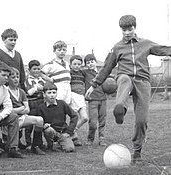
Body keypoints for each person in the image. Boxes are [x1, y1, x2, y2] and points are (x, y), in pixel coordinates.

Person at [85, 15, 171, 163]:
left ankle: (137, 151)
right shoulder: (117, 47)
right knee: (124, 79)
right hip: (125, 77)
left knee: (141, 120)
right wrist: (94, 85)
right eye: (124, 30)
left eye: (129, 29)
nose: (127, 33)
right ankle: (120, 108)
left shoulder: (145, 43)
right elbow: (106, 68)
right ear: (121, 30)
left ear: (135, 28)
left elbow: (164, 50)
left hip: (143, 82)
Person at [1, 67, 45, 155]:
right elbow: (5, 110)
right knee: (8, 145)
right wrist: (20, 109)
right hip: (9, 119)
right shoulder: (4, 91)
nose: (16, 79)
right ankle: (4, 144)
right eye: (13, 77)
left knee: (39, 120)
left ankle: (35, 146)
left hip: (21, 118)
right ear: (8, 79)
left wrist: (19, 110)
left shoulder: (21, 92)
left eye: (17, 77)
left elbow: (27, 109)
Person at [37, 82, 78, 152]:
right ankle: (51, 144)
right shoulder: (41, 107)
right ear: (44, 94)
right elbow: (39, 121)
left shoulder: (62, 104)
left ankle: (60, 143)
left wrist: (69, 131)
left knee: (70, 149)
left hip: (63, 132)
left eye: (54, 92)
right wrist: (44, 125)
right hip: (51, 131)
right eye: (49, 93)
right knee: (48, 130)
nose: (52, 95)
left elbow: (74, 116)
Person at [83, 54, 107, 147]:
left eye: (92, 62)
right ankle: (90, 138)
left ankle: (102, 139)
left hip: (103, 99)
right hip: (92, 100)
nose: (90, 64)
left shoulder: (102, 73)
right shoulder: (85, 72)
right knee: (93, 122)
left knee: (102, 120)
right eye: (88, 63)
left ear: (95, 62)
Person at [24, 60, 47, 152]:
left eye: (38, 69)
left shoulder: (42, 80)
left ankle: (38, 143)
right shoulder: (27, 80)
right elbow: (29, 92)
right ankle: (28, 143)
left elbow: (47, 88)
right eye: (34, 69)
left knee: (40, 122)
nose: (37, 71)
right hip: (31, 102)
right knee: (29, 124)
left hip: (41, 102)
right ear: (29, 70)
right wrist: (37, 88)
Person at [69, 55, 88, 146]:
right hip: (73, 96)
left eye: (79, 64)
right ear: (70, 64)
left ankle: (72, 130)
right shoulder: (69, 73)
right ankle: (75, 138)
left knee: (84, 118)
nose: (77, 66)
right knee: (75, 117)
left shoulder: (82, 73)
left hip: (81, 97)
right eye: (75, 64)